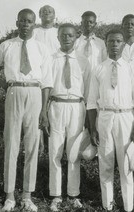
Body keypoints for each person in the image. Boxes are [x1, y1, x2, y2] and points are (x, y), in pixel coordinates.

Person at [0, 9, 52, 212]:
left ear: (35, 24)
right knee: (12, 143)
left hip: (35, 93)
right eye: (22, 21)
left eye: (30, 21)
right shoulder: (6, 45)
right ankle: (9, 196)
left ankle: (27, 195)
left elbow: (47, 82)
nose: (26, 24)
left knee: (33, 144)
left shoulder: (42, 48)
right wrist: (5, 85)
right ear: (17, 23)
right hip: (14, 92)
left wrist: (44, 110)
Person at [87, 29, 134, 212]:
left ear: (123, 44)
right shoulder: (99, 68)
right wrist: (93, 129)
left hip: (125, 118)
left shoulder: (130, 68)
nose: (114, 45)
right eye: (111, 41)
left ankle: (128, 207)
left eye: (118, 41)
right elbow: (90, 102)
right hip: (104, 117)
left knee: (126, 165)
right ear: (106, 43)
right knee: (106, 163)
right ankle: (107, 206)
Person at [47, 23, 90, 212]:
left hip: (77, 107)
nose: (66, 38)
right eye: (63, 35)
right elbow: (47, 85)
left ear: (76, 38)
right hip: (56, 105)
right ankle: (56, 196)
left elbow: (88, 90)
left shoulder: (83, 61)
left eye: (70, 35)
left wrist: (88, 115)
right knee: (55, 151)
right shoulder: (50, 59)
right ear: (57, 37)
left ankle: (73, 195)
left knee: (74, 152)